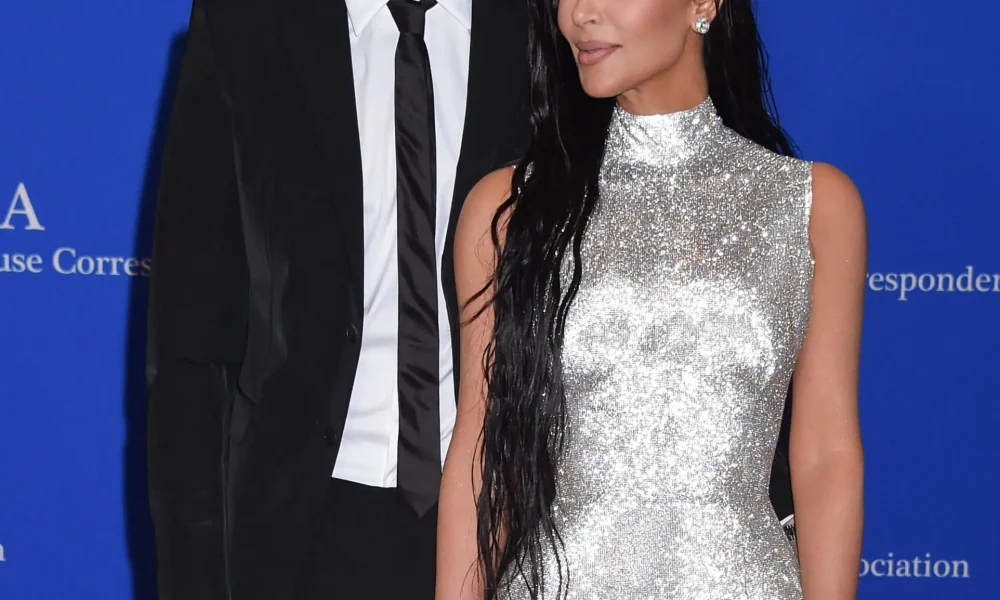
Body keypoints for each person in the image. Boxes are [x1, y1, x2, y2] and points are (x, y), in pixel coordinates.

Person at [436, 0, 866, 597]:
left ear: (703, 4)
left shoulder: (813, 205)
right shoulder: (506, 211)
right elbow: (484, 457)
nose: (578, 14)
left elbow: (826, 453)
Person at [144, 0, 531, 597]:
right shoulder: (245, 26)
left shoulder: (549, 28)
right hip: (300, 528)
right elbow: (191, 344)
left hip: (505, 526)